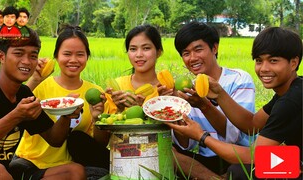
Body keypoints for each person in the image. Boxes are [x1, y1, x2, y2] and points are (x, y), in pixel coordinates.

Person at [167, 27, 302, 180]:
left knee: (240, 172)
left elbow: (256, 156)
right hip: (295, 161)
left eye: (273, 61)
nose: (264, 69)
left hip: (297, 166)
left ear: (293, 63)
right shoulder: (288, 92)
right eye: (259, 61)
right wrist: (219, 94)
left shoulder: (292, 100)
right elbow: (252, 124)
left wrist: (202, 136)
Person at [0, 27, 86, 179]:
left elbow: (54, 139)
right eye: (18, 53)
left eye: (33, 56)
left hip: (7, 172)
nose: (26, 61)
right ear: (1, 56)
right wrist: (16, 116)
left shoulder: (24, 94)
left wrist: (67, 112)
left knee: (74, 172)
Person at [11, 25, 111, 180]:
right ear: (56, 56)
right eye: (67, 54)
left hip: (71, 166)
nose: (73, 60)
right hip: (32, 162)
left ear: (87, 57)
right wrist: (35, 80)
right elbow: (13, 106)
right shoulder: (42, 87)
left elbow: (99, 144)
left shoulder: (95, 92)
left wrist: (97, 117)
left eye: (80, 54)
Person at [171, 21, 256, 179]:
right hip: (207, 159)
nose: (192, 58)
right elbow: (186, 144)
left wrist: (204, 106)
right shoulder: (188, 89)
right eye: (186, 53)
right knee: (169, 154)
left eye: (198, 49)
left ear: (214, 48)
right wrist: (174, 109)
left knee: (237, 171)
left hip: (238, 157)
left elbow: (234, 136)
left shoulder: (239, 79)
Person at [106, 24, 173, 113]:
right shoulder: (117, 88)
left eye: (146, 48)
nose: (139, 55)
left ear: (158, 52)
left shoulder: (167, 89)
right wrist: (120, 109)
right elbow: (104, 123)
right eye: (133, 49)